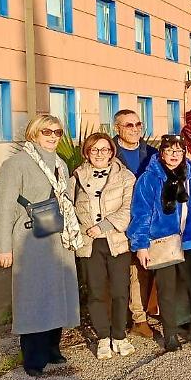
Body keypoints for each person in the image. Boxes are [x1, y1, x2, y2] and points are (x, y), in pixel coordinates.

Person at [0, 115, 82, 377]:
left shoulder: (61, 164)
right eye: (47, 131)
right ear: (34, 133)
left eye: (57, 131)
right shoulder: (15, 164)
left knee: (58, 294)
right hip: (29, 240)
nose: (53, 135)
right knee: (33, 297)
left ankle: (52, 348)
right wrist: (3, 247)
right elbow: (4, 207)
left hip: (59, 238)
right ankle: (33, 356)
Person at [128, 135, 191, 352]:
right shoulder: (149, 179)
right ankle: (170, 333)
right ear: (161, 153)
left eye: (178, 151)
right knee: (166, 290)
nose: (174, 155)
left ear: (184, 153)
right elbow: (141, 213)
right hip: (162, 243)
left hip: (190, 241)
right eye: (169, 151)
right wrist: (141, 245)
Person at [73, 133, 136, 360]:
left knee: (120, 291)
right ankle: (102, 337)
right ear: (87, 152)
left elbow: (130, 208)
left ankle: (119, 335)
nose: (100, 154)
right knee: (96, 292)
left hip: (116, 241)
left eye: (105, 149)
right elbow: (69, 209)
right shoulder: (77, 177)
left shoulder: (125, 176)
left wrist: (104, 226)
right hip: (89, 244)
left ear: (112, 152)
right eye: (95, 149)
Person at [113, 109, 159, 338]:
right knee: (121, 272)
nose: (134, 129)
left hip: (146, 221)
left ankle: (140, 317)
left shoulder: (152, 153)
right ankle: (123, 319)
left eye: (138, 124)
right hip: (116, 222)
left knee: (141, 269)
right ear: (117, 128)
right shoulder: (106, 152)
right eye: (128, 125)